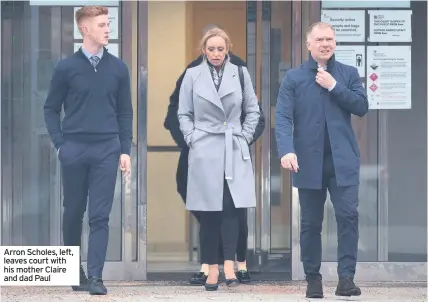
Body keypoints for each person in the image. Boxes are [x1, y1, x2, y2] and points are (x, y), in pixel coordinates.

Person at [164, 24, 265, 286]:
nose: (216, 53)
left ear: (228, 48)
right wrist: (192, 138)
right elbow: (181, 113)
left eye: (221, 48)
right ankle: (211, 268)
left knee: (232, 210)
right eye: (211, 49)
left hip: (233, 147)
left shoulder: (240, 73)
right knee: (208, 211)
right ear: (203, 50)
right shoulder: (193, 74)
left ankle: (230, 266)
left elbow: (254, 111)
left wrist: (243, 136)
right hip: (204, 148)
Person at [275, 22, 368, 299]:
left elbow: (361, 107)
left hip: (343, 162)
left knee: (348, 217)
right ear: (309, 44)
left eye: (329, 39)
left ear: (335, 43)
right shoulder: (294, 78)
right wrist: (286, 150)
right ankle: (313, 279)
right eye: (320, 39)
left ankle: (346, 279)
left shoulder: (348, 74)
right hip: (307, 162)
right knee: (310, 223)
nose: (325, 43)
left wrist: (334, 85)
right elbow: (282, 117)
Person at [43, 6, 132, 296]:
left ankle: (95, 276)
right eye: (103, 25)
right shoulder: (66, 68)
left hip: (108, 148)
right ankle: (74, 271)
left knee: (100, 215)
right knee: (73, 213)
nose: (108, 30)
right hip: (75, 148)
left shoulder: (118, 68)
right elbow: (50, 108)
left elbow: (124, 113)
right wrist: (60, 144)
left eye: (109, 24)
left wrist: (125, 149)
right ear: (85, 29)